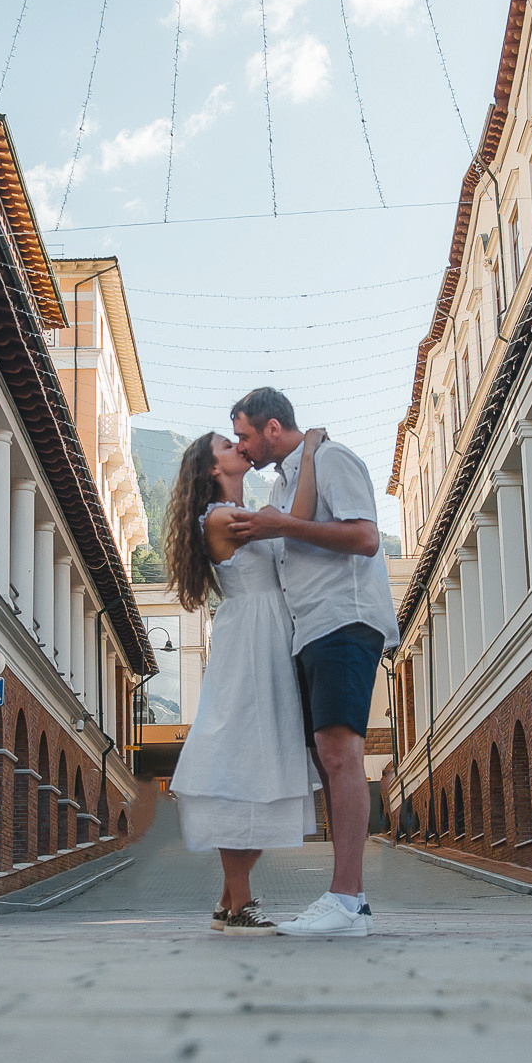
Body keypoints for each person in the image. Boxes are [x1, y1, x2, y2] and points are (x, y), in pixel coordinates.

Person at [226, 386, 399, 940]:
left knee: (341, 753)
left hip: (345, 619)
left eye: (246, 436)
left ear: (273, 427)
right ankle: (346, 899)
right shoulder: (287, 481)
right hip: (310, 631)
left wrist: (281, 526)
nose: (243, 447)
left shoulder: (332, 459)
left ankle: (347, 901)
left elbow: (367, 537)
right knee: (329, 759)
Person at [161, 425, 327, 933]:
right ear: (215, 469)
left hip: (267, 632)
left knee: (262, 763)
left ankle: (229, 898)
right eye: (227, 447)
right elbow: (297, 522)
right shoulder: (222, 516)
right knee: (245, 761)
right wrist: (312, 451)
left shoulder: (236, 512)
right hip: (253, 637)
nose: (239, 448)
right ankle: (242, 902)